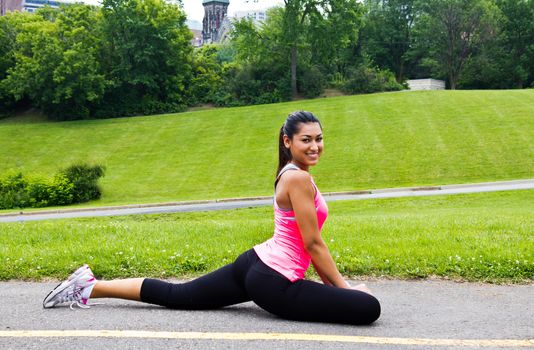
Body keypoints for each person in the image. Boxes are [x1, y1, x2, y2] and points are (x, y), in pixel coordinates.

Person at [43, 111, 381, 325]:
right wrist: (346, 291)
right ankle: (86, 286)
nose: (315, 146)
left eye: (319, 139)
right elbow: (312, 243)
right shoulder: (298, 178)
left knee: (179, 296)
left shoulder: (291, 173)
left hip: (255, 265)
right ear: (287, 141)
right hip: (274, 282)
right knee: (368, 309)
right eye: (306, 140)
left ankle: (89, 285)